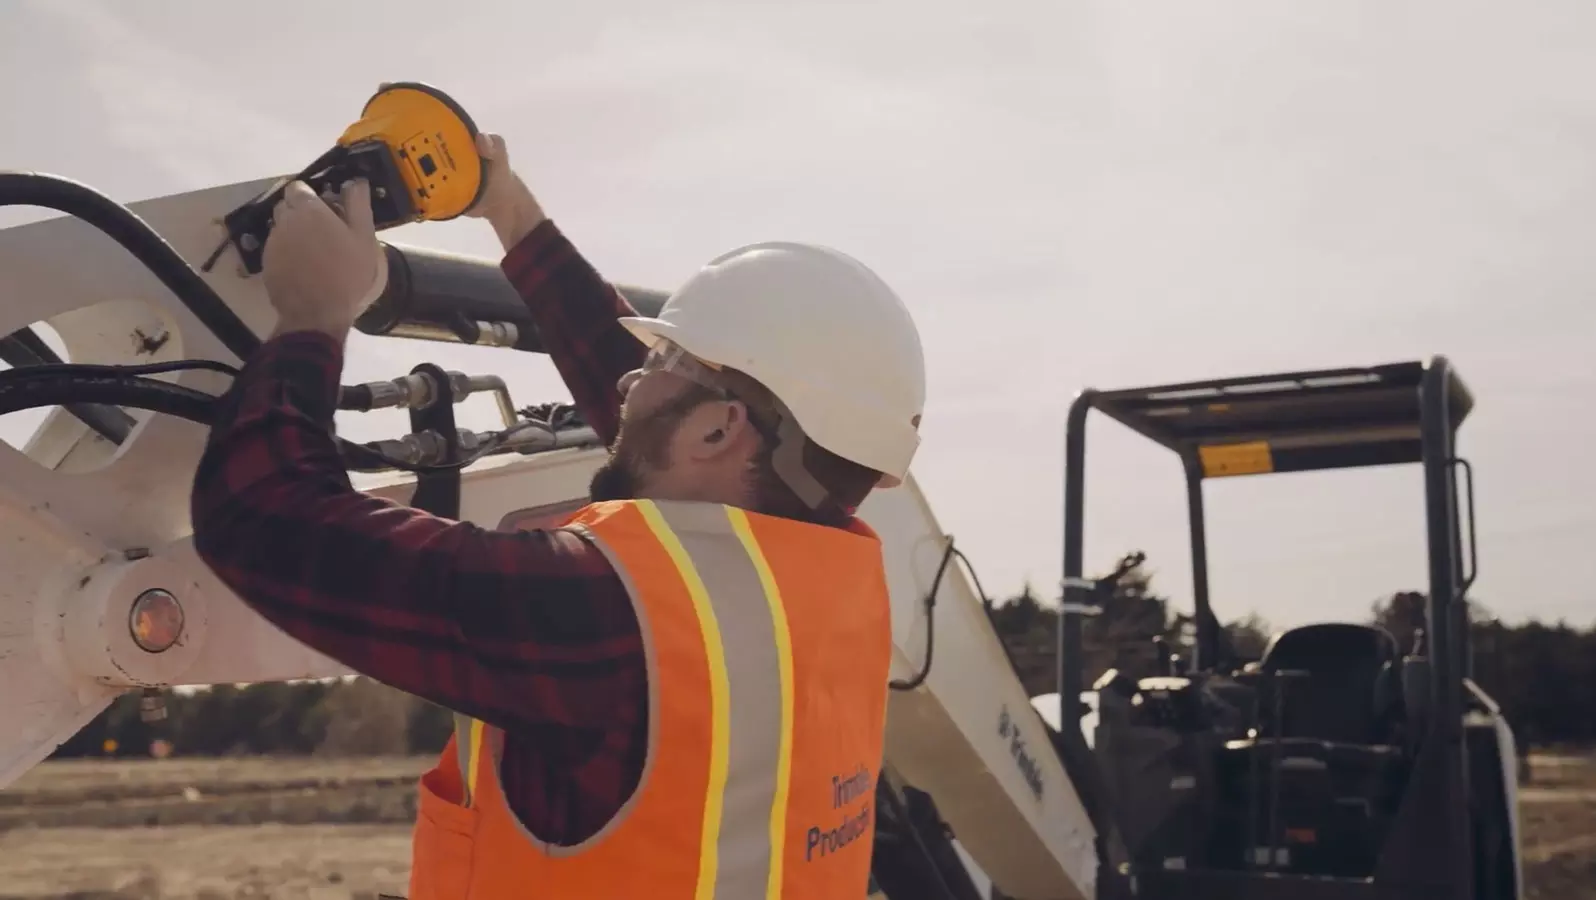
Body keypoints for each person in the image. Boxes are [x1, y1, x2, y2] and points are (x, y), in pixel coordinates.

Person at [189, 128, 927, 899]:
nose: (633, 377)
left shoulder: (606, 611)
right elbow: (655, 420)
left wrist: (314, 317)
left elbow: (262, 515)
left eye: (665, 359)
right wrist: (508, 210)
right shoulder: (829, 580)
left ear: (718, 430)